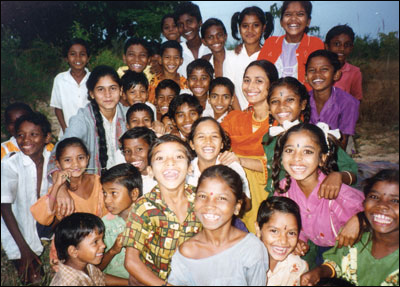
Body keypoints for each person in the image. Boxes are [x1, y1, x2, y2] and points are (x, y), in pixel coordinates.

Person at [272, 123, 365, 267]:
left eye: (307, 152)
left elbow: (376, 211)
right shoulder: (283, 189)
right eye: (289, 150)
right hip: (319, 251)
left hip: (353, 253)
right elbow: (290, 220)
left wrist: (360, 219)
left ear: (322, 158)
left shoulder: (337, 192)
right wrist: (297, 239)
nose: (297, 158)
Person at [168, 165, 269, 285]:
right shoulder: (187, 253)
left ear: (237, 207)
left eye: (221, 198)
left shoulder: (250, 249)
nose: (209, 205)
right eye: (202, 196)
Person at [122, 135, 202, 285]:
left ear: (190, 167)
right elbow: (131, 261)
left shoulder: (201, 199)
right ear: (150, 170)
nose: (170, 163)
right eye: (160, 158)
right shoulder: (144, 207)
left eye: (178, 156)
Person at [262, 77, 358, 198]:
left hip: (311, 201)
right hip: (279, 201)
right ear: (269, 108)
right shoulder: (269, 137)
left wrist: (338, 176)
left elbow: (352, 171)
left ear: (303, 104)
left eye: (290, 100)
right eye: (275, 101)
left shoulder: (317, 135)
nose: (282, 106)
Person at [300, 169, 399, 286]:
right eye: (374, 197)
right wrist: (319, 272)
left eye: (395, 200)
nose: (382, 205)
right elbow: (337, 262)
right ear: (364, 200)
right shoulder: (354, 236)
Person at [221, 60, 278, 233]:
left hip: (268, 192)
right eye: (247, 80)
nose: (250, 86)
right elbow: (216, 145)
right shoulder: (234, 119)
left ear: (271, 85)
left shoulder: (280, 122)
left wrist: (241, 159)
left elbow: (277, 163)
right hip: (238, 192)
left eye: (259, 81)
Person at [48, 65, 128, 177]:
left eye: (112, 88)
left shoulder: (129, 115)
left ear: (121, 90)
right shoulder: (83, 118)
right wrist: (57, 174)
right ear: (91, 94)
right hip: (92, 184)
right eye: (100, 89)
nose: (107, 94)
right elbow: (62, 147)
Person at [1, 112, 52, 284]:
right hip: (16, 225)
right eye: (20, 135)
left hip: (45, 222)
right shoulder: (10, 165)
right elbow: (4, 208)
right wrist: (25, 250)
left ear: (47, 138)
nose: (26, 140)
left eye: (33, 134)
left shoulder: (53, 161)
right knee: (35, 279)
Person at [187, 117, 252, 225]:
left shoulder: (231, 167)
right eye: (201, 136)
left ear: (222, 144)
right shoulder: (185, 169)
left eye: (214, 136)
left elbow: (248, 205)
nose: (208, 141)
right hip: (192, 225)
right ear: (192, 144)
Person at [31, 137, 107, 226]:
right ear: (58, 164)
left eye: (80, 158)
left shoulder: (99, 183)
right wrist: (57, 186)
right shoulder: (58, 191)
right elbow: (43, 218)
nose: (75, 164)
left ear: (87, 158)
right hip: (71, 239)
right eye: (67, 160)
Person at [257, 1, 324, 90]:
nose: (293, 19)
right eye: (288, 14)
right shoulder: (271, 43)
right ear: (281, 21)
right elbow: (258, 75)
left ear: (308, 21)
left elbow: (319, 79)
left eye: (300, 14)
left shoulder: (315, 44)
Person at [50, 212, 127, 286]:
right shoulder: (69, 283)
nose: (103, 245)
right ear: (73, 251)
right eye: (95, 242)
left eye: (102, 240)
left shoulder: (85, 265)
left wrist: (131, 283)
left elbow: (100, 278)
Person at [305, 50, 360, 149]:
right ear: (306, 77)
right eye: (312, 70)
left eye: (324, 69)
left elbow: (342, 142)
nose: (317, 74)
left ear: (336, 75)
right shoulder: (303, 100)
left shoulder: (348, 102)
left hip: (337, 151)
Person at [98, 163, 142, 282]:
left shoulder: (147, 221)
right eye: (104, 193)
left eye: (113, 193)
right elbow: (96, 270)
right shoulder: (104, 225)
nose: (107, 200)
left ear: (134, 194)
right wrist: (113, 250)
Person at [225, 6, 274, 110]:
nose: (250, 30)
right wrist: (242, 116)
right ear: (239, 28)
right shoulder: (231, 57)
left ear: (263, 27)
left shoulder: (270, 56)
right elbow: (230, 90)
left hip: (263, 114)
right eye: (245, 26)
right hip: (239, 114)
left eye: (255, 25)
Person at [255, 196, 308, 286]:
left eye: (291, 233)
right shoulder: (242, 264)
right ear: (258, 229)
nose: (283, 241)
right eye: (274, 231)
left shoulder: (296, 267)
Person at [50, 38, 91, 138]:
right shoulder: (60, 79)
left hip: (91, 133)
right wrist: (65, 130)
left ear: (88, 58)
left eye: (82, 54)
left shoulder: (94, 78)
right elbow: (58, 108)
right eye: (73, 54)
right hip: (68, 133)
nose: (78, 58)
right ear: (66, 58)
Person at [325, 24, 362, 101]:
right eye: (337, 44)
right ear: (327, 46)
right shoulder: (318, 68)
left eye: (347, 45)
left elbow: (357, 100)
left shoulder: (354, 72)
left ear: (351, 48)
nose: (342, 48)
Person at [174, 2, 211, 79]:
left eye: (189, 22)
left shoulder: (212, 47)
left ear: (200, 22)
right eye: (180, 24)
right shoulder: (177, 52)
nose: (185, 28)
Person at [119, 127, 158, 195]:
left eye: (139, 149)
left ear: (153, 148)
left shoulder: (164, 177)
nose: (133, 156)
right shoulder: (125, 181)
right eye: (127, 151)